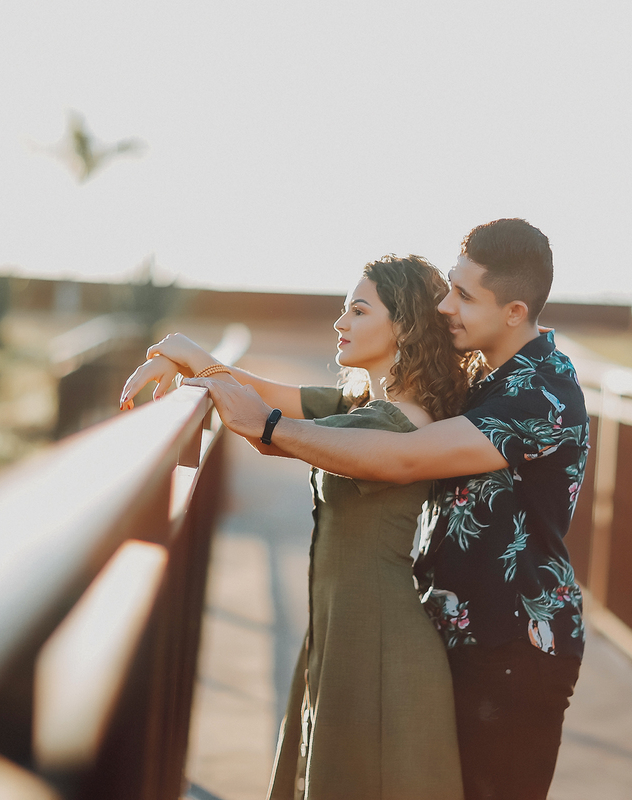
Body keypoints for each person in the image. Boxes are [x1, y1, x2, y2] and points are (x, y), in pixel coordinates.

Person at [186, 219, 589, 800]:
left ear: (514, 312)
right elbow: (330, 407)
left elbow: (401, 457)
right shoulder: (481, 377)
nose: (444, 306)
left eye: (464, 296)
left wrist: (269, 427)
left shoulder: (542, 392)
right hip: (453, 632)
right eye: (448, 287)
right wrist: (196, 365)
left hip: (514, 648)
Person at [121, 255, 472, 800]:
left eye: (359, 311)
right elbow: (263, 396)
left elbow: (265, 428)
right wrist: (185, 354)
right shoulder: (363, 404)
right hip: (343, 630)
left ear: (404, 327)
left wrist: (191, 357)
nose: (340, 322)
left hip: (380, 648)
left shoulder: (396, 423)